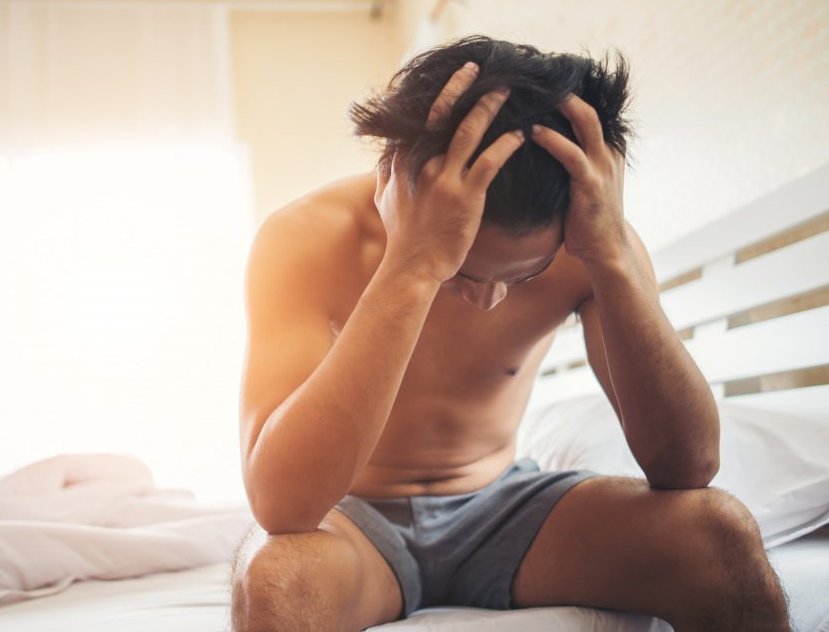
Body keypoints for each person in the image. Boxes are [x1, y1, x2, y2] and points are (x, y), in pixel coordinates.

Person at [230, 35, 790, 632]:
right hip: (352, 523)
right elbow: (282, 506)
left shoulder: (591, 243)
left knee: (719, 536)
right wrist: (413, 268)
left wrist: (611, 258)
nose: (489, 299)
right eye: (462, 273)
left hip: (506, 508)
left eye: (522, 276)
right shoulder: (305, 238)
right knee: (276, 578)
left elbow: (688, 466)